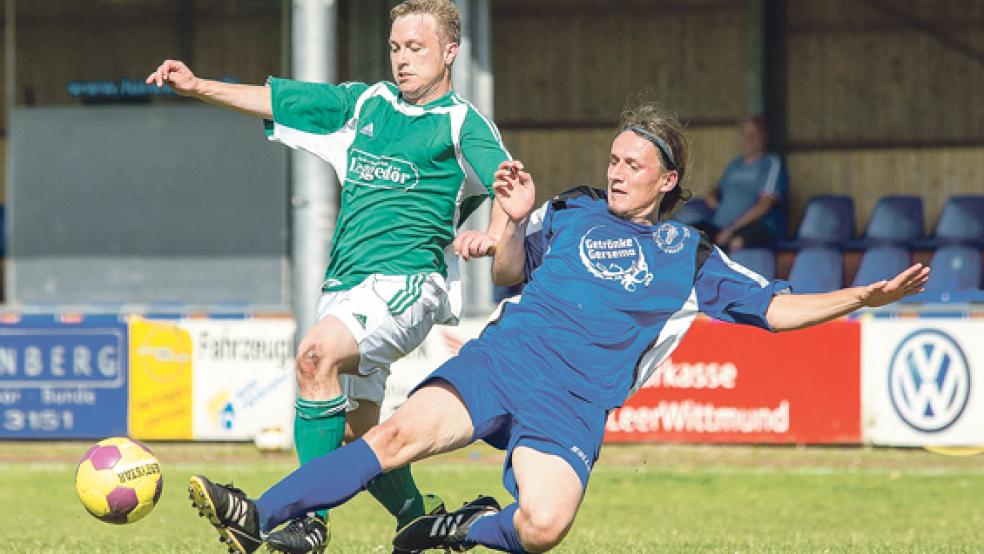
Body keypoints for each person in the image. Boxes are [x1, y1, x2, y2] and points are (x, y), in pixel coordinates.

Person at [184, 102, 930, 554]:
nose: (616, 171)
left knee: (541, 528)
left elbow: (775, 311)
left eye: (633, 164)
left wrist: (860, 296)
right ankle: (261, 512)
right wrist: (508, 224)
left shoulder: (689, 256)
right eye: (613, 158)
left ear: (667, 179)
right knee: (389, 439)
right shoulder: (571, 210)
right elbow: (510, 271)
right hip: (504, 361)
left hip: (571, 405)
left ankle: (453, 530)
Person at [147, 1, 510, 552]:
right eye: (395, 48)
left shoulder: (461, 122)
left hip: (408, 282)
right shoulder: (365, 103)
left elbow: (510, 183)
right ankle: (418, 517)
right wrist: (198, 87)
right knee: (359, 431)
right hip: (346, 286)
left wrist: (496, 237)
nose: (402, 60)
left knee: (314, 356)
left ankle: (302, 519)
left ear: (450, 51)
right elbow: (280, 98)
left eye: (416, 48)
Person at [695, 115, 789, 251]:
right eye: (744, 134)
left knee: (737, 243)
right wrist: (712, 195)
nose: (748, 139)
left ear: (764, 137)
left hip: (756, 227)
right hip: (720, 225)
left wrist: (731, 229)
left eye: (753, 134)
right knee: (689, 236)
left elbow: (765, 204)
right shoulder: (735, 164)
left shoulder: (771, 163)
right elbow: (718, 188)